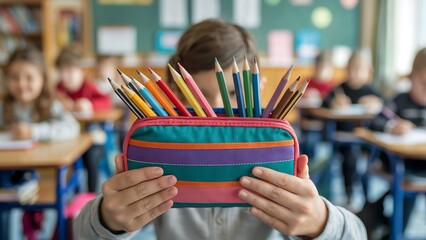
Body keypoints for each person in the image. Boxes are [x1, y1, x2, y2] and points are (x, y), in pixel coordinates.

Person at [75, 19, 366, 239]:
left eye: (233, 94)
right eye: (195, 96)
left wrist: (319, 222)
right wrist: (107, 219)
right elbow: (82, 231)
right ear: (171, 93)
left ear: (258, 89)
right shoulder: (158, 148)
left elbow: (357, 233)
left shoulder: (274, 149)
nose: (213, 113)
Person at [0, 47, 80, 239]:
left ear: (42, 79)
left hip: (43, 175)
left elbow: (72, 127)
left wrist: (34, 131)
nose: (21, 84)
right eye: (14, 77)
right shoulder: (4, 107)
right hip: (9, 171)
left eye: (29, 78)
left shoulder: (51, 105)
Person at [369, 47, 426, 233]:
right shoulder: (399, 101)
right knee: (405, 193)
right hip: (402, 164)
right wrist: (392, 127)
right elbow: (375, 120)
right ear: (411, 78)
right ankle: (393, 230)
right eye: (424, 83)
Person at [322, 50, 383, 203]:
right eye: (352, 68)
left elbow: (386, 104)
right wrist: (333, 103)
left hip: (366, 139)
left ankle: (367, 197)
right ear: (347, 70)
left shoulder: (370, 90)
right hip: (343, 137)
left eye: (359, 69)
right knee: (350, 158)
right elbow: (325, 101)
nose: (355, 73)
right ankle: (349, 191)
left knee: (370, 161)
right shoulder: (340, 88)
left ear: (368, 72)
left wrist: (376, 102)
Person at [56, 47, 113, 192]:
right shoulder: (58, 90)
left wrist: (89, 105)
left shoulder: (88, 87)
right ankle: (72, 192)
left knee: (91, 156)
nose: (67, 76)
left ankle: (90, 193)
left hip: (91, 136)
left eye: (72, 71)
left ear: (82, 72)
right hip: (67, 137)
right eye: (63, 71)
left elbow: (106, 101)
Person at [300, 50, 336, 159]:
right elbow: (297, 99)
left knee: (328, 149)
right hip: (309, 124)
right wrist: (305, 95)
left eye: (325, 68)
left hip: (327, 125)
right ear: (315, 67)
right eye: (320, 67)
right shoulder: (308, 82)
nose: (322, 71)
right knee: (310, 143)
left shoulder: (333, 86)